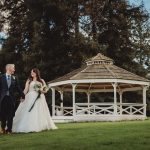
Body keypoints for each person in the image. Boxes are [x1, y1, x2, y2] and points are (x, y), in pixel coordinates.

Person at [12, 68, 57, 133]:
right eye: (31, 72)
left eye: (33, 72)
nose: (31, 73)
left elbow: (45, 89)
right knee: (30, 111)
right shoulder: (29, 80)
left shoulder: (41, 80)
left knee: (40, 111)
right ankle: (29, 126)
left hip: (40, 98)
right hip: (30, 97)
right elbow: (26, 89)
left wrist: (42, 91)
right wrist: (22, 96)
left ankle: (41, 126)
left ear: (36, 73)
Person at [0, 64, 24, 134]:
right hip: (3, 99)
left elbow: (18, 87)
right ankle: (3, 127)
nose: (14, 70)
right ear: (9, 68)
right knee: (3, 114)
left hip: (11, 99)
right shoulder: (1, 77)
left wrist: (23, 95)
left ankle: (9, 130)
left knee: (10, 114)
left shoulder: (15, 78)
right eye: (13, 68)